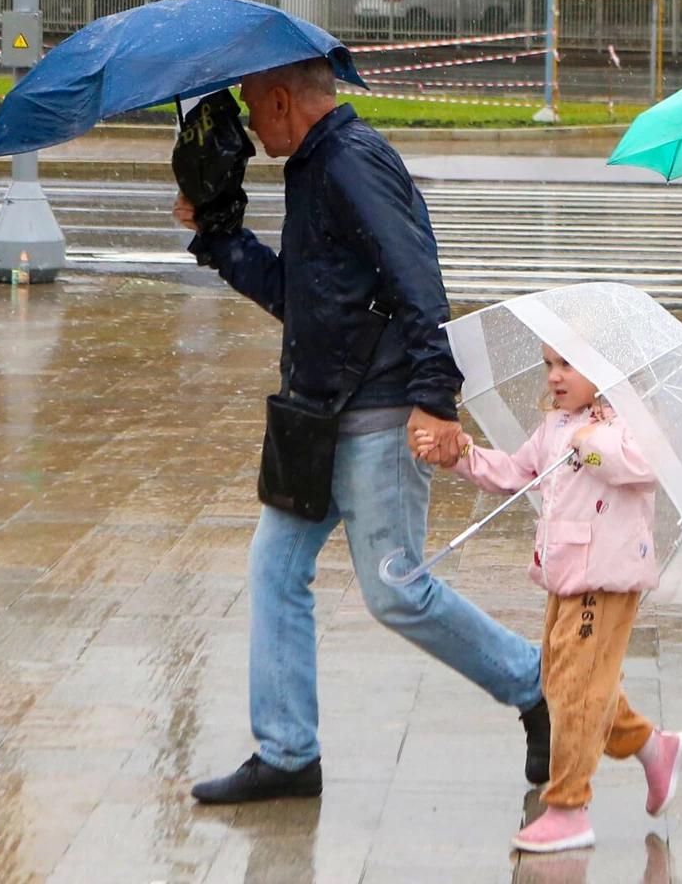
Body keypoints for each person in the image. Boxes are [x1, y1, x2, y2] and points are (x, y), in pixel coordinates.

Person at [178, 57, 548, 804]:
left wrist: (435, 399)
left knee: (396, 592)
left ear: (284, 99)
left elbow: (418, 279)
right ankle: (287, 755)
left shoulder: (351, 163)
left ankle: (538, 686)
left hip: (377, 410)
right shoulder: (313, 168)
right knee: (275, 573)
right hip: (316, 412)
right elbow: (300, 297)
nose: (247, 125)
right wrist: (220, 236)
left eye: (252, 107)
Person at [416, 343, 682, 854]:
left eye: (568, 364)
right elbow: (516, 473)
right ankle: (655, 748)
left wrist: (590, 442)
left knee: (574, 689)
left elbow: (644, 465)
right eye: (549, 365)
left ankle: (568, 807)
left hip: (606, 579)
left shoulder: (626, 420)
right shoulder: (556, 425)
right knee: (568, 678)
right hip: (566, 573)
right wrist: (460, 457)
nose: (555, 377)